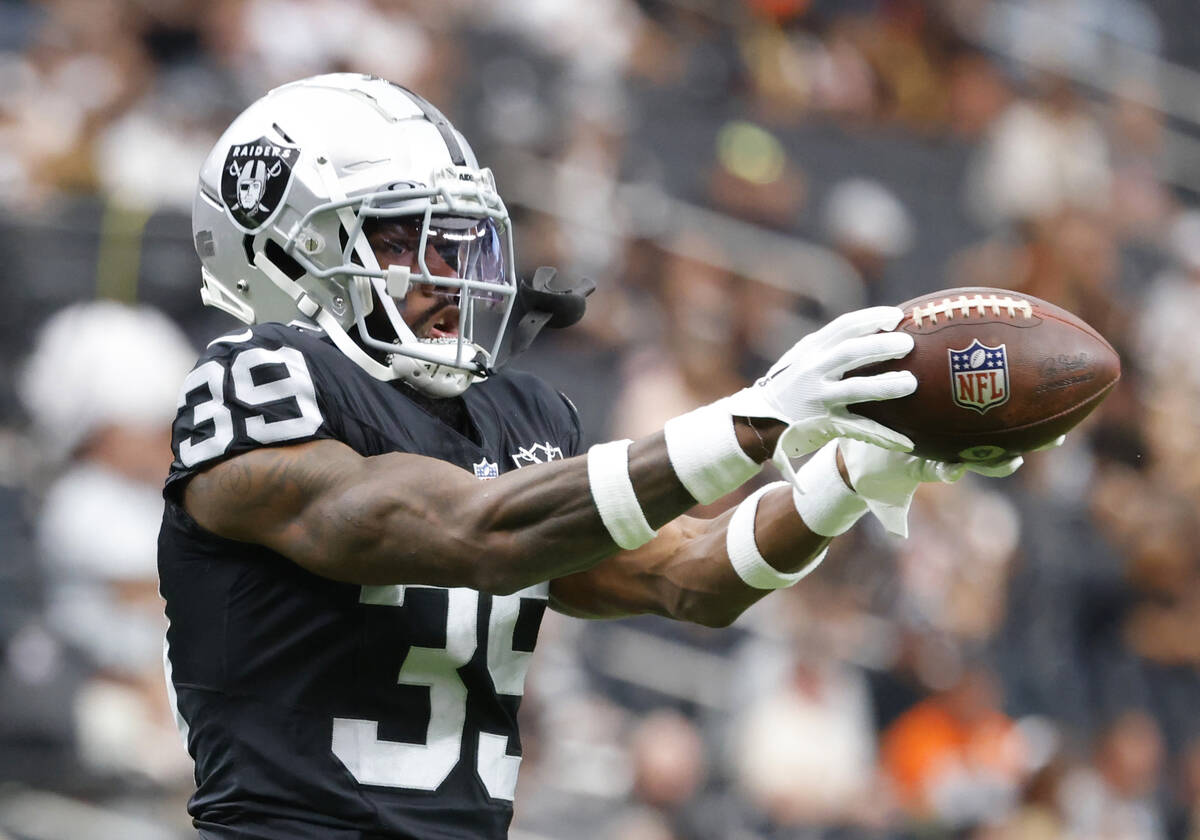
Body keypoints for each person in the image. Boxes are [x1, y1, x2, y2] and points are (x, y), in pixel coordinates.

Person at [159, 73, 1020, 839]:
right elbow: (466, 528)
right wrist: (756, 418)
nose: (445, 271)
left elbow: (692, 575)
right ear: (282, 253)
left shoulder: (514, 411)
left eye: (454, 240)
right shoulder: (258, 382)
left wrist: (850, 474)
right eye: (400, 240)